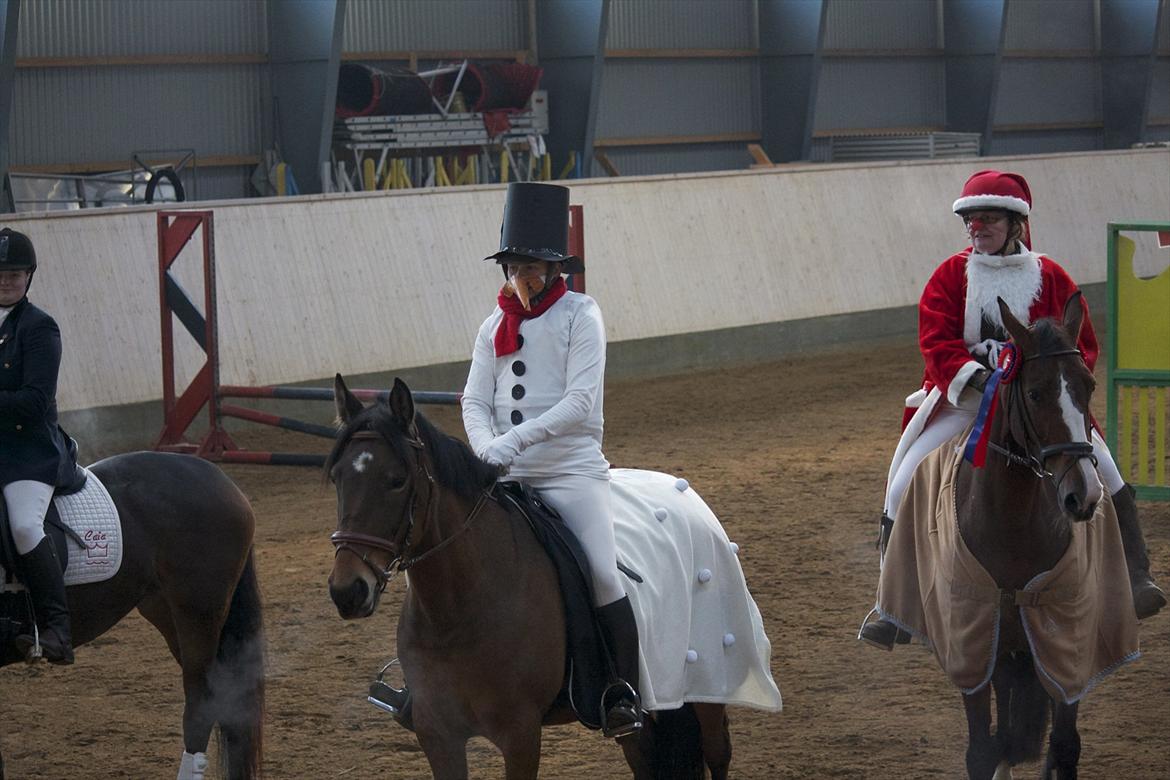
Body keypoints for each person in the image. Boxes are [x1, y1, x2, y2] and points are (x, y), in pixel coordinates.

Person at [859, 170, 1166, 651]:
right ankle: (890, 604)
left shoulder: (1052, 275)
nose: (976, 227)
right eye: (970, 220)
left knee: (1106, 467)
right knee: (903, 480)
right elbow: (935, 343)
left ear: (1014, 223)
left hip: (1039, 404)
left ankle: (1136, 574)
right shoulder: (948, 275)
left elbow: (1080, 346)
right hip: (969, 400)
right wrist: (980, 379)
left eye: (986, 219)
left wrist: (1047, 385)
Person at [0, 227, 77, 665]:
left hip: (28, 451)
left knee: (27, 526)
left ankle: (57, 628)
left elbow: (34, 401)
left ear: (29, 277)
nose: (7, 281)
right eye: (1, 274)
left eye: (15, 274)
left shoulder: (40, 327)